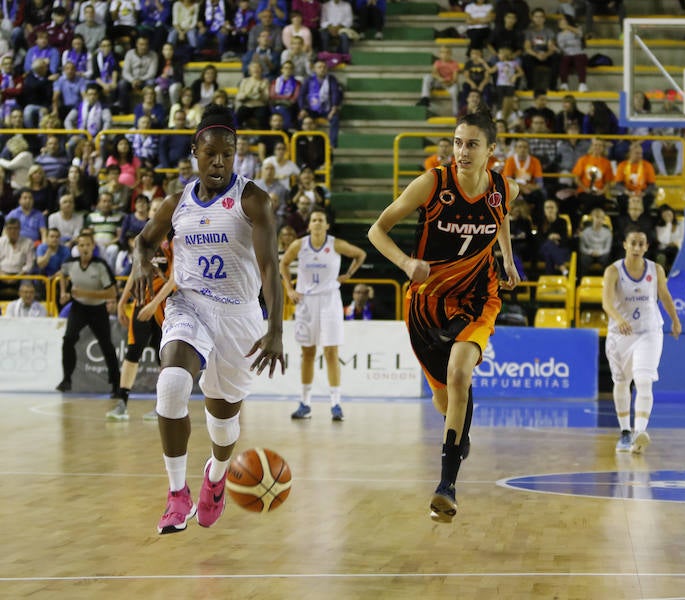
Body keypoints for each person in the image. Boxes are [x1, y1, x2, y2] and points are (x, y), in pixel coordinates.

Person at [130, 104, 285, 534]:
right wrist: (142, 262)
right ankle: (177, 495)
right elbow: (143, 242)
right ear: (194, 152)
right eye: (210, 153)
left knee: (222, 421)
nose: (219, 161)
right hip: (190, 303)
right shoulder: (176, 202)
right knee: (172, 385)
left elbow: (270, 267)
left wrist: (276, 329)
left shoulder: (252, 199)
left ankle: (215, 478)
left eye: (228, 154)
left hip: (239, 317)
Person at [367, 107, 521, 523]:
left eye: (472, 144)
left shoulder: (506, 189)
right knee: (445, 397)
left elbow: (500, 216)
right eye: (457, 142)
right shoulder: (432, 184)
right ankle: (460, 429)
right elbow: (376, 230)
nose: (462, 151)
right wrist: (404, 263)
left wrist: (507, 260)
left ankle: (446, 485)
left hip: (477, 296)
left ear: (491, 150)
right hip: (425, 302)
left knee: (459, 375)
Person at [280, 207, 366, 421]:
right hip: (306, 302)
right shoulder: (299, 245)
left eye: (321, 220)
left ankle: (336, 404)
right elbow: (283, 263)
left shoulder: (335, 244)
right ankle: (305, 403)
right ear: (309, 225)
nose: (317, 223)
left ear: (327, 225)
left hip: (329, 301)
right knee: (308, 353)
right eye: (314, 220)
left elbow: (360, 254)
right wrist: (289, 289)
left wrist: (348, 275)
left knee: (330, 352)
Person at [603, 227, 681, 454]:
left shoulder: (655, 269)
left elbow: (664, 296)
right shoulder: (613, 271)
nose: (637, 247)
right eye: (633, 243)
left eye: (641, 244)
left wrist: (675, 320)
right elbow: (606, 302)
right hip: (621, 335)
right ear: (625, 245)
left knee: (644, 379)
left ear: (646, 247)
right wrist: (618, 319)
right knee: (621, 382)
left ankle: (640, 431)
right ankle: (625, 432)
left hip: (649, 332)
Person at [105, 237, 176, 421]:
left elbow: (174, 279)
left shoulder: (176, 239)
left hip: (165, 303)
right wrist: (122, 301)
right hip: (142, 301)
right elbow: (135, 272)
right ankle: (122, 403)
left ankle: (163, 406)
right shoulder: (144, 240)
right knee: (133, 351)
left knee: (163, 355)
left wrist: (155, 304)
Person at [56, 232, 120, 394]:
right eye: (81, 245)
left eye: (87, 245)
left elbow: (112, 294)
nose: (84, 248)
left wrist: (85, 293)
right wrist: (63, 292)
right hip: (79, 308)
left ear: (93, 247)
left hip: (98, 309)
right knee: (68, 338)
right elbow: (62, 274)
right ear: (78, 247)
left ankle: (116, 383)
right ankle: (66, 379)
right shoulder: (70, 263)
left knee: (106, 345)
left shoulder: (100, 265)